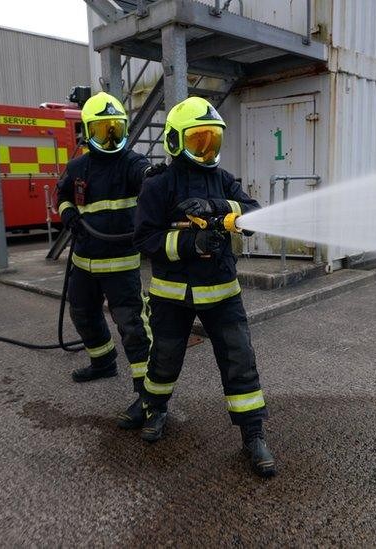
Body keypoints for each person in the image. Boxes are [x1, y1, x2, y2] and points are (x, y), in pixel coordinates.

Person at [133, 96, 276, 477]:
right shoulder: (158, 186)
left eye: (213, 140)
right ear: (175, 141)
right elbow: (145, 239)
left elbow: (255, 213)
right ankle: (155, 409)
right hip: (171, 295)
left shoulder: (223, 180)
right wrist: (190, 243)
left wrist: (217, 206)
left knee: (240, 359)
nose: (208, 149)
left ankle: (253, 434)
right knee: (164, 358)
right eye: (199, 140)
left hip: (222, 291)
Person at [56, 91, 154, 429]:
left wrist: (155, 177)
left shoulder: (132, 163)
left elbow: (146, 175)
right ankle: (103, 362)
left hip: (121, 263)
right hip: (84, 260)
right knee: (81, 313)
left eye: (115, 129)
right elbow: (62, 194)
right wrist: (68, 214)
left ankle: (147, 396)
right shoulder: (78, 167)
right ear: (87, 132)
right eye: (102, 130)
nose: (110, 138)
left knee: (133, 328)